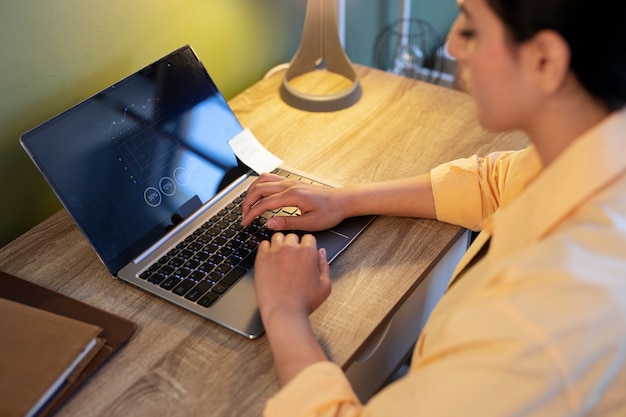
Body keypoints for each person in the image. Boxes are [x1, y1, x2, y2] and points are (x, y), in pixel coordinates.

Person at [241, 0, 626, 415]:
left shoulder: (542, 320)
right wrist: (343, 198)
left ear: (545, 60)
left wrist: (284, 313)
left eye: (472, 28)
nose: (454, 45)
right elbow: (494, 183)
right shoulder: (594, 150)